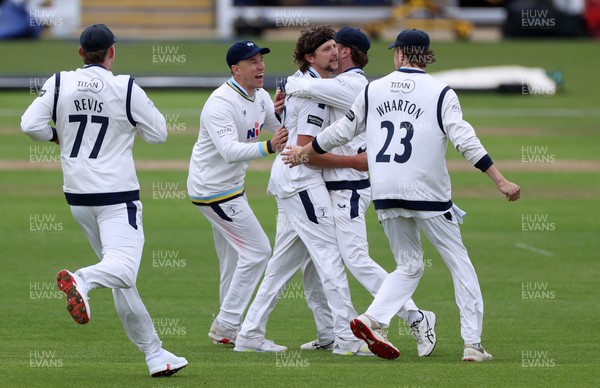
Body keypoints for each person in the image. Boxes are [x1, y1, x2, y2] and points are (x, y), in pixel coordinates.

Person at [282, 29, 521, 362]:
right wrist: (499, 179)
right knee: (459, 264)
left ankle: (372, 318)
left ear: (399, 54)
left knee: (409, 265)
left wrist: (304, 152)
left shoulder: (373, 89)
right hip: (429, 194)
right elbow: (465, 140)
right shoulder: (441, 92)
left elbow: (340, 132)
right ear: (425, 55)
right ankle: (472, 344)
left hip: (385, 192)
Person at [20, 24, 187, 377]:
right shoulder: (125, 85)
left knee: (121, 279)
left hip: (78, 197)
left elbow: (29, 124)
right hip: (116, 196)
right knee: (123, 270)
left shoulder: (60, 81)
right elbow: (158, 134)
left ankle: (155, 354)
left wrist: (58, 137)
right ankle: (81, 279)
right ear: (113, 52)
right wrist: (126, 125)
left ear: (80, 53)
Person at [283, 27, 437, 357]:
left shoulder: (352, 85)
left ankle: (416, 316)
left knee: (354, 258)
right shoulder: (339, 84)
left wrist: (289, 85)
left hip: (349, 186)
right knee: (319, 263)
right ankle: (330, 334)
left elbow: (304, 84)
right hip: (330, 183)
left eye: (336, 47)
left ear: (348, 51)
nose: (332, 53)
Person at [233, 25, 369, 356]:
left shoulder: (309, 86)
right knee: (329, 258)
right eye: (326, 49)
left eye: (336, 47)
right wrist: (353, 162)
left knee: (282, 266)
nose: (335, 53)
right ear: (310, 57)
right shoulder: (313, 94)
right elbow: (305, 150)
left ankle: (251, 333)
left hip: (290, 181)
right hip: (301, 180)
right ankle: (346, 337)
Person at [186, 41, 288, 346]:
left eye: (261, 61)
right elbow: (230, 152)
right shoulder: (220, 103)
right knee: (258, 251)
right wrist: (269, 147)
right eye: (253, 62)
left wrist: (286, 109)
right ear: (235, 69)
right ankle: (228, 324)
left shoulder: (259, 97)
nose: (261, 67)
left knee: (233, 258)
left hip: (229, 189)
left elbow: (279, 126)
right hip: (214, 191)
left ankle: (226, 332)